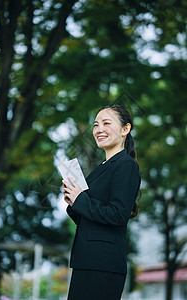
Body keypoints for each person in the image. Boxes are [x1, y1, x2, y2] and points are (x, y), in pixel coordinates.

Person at [62, 104, 141, 300]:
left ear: (125, 129)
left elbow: (118, 214)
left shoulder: (125, 165)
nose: (99, 130)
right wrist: (74, 202)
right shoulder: (101, 169)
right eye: (96, 125)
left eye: (106, 123)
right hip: (87, 262)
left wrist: (81, 200)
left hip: (103, 265)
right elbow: (91, 220)